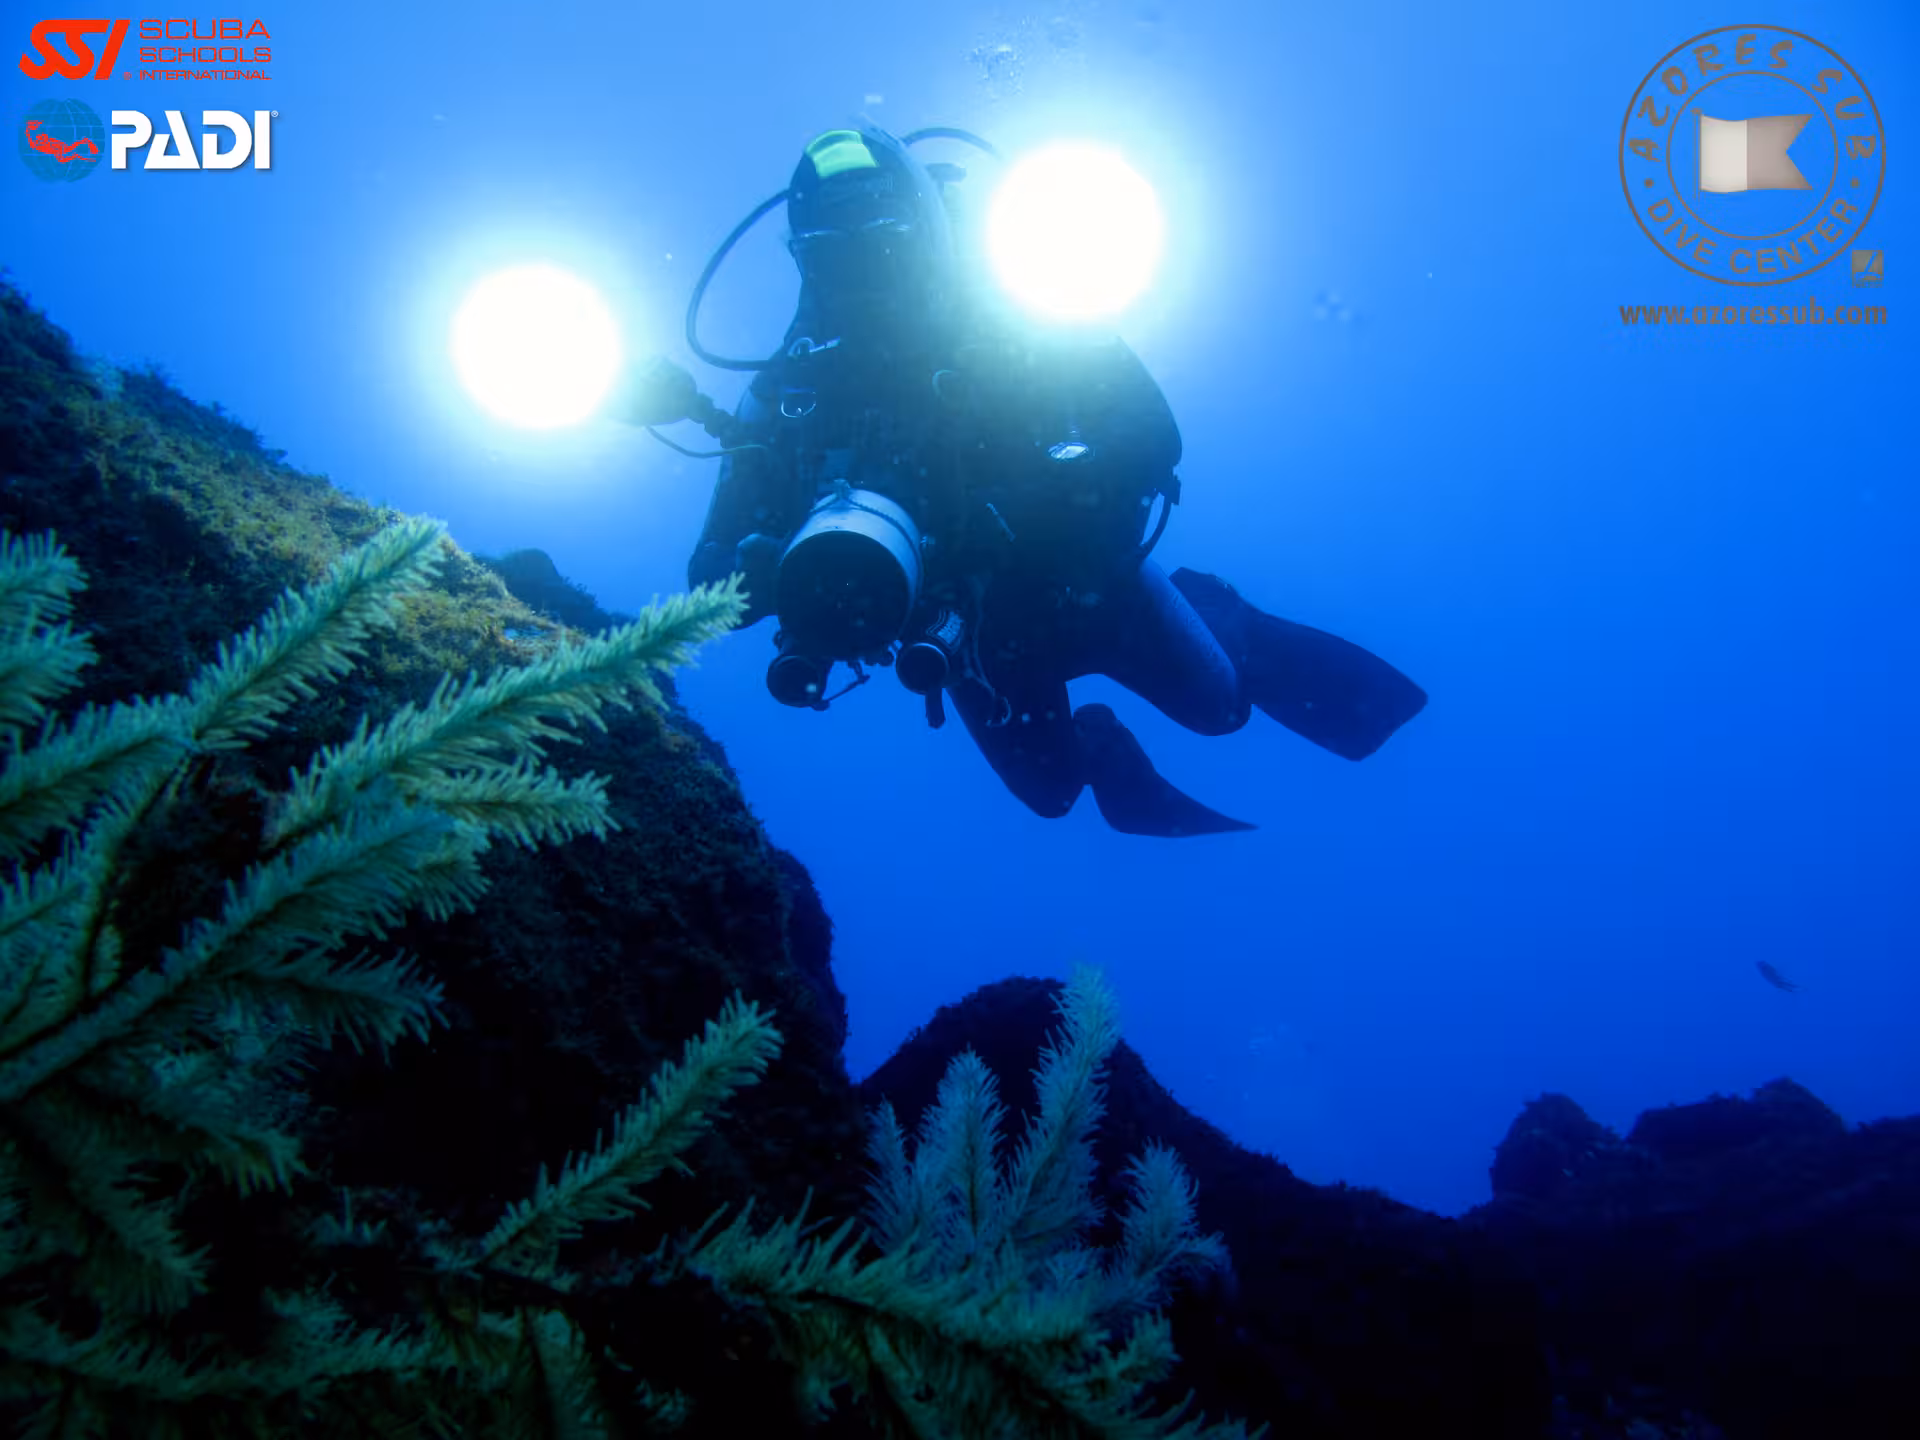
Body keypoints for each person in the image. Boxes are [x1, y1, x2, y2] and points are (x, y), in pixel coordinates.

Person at [669, 125, 1426, 836]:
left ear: (925, 231)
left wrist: (1013, 514)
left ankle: (1220, 614)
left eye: (885, 241)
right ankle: (1101, 740)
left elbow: (1153, 442)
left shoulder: (1016, 323)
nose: (865, 268)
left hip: (1092, 587)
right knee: (1052, 797)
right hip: (965, 634)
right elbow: (711, 579)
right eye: (837, 252)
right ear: (804, 258)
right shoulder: (785, 393)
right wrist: (764, 570)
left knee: (1222, 710)